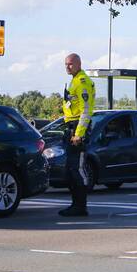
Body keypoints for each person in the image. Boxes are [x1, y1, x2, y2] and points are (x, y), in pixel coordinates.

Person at [59, 53, 95, 217]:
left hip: (77, 129)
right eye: (66, 64)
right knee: (70, 169)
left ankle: (81, 206)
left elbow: (86, 111)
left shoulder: (82, 81)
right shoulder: (74, 80)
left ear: (79, 64)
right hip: (71, 127)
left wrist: (79, 134)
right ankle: (75, 205)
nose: (68, 66)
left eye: (71, 64)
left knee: (77, 169)